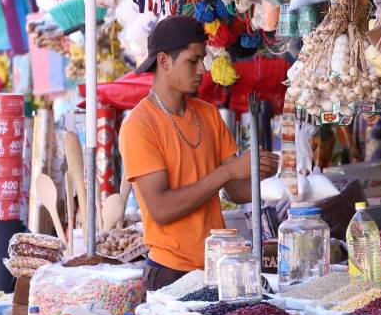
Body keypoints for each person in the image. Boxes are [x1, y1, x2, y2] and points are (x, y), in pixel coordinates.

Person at [119, 16, 278, 291]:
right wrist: (227, 171)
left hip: (217, 268)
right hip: (170, 273)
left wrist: (266, 171)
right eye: (193, 61)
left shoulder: (209, 114)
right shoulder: (139, 125)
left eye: (202, 60)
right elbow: (161, 209)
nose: (202, 70)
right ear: (164, 62)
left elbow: (237, 192)